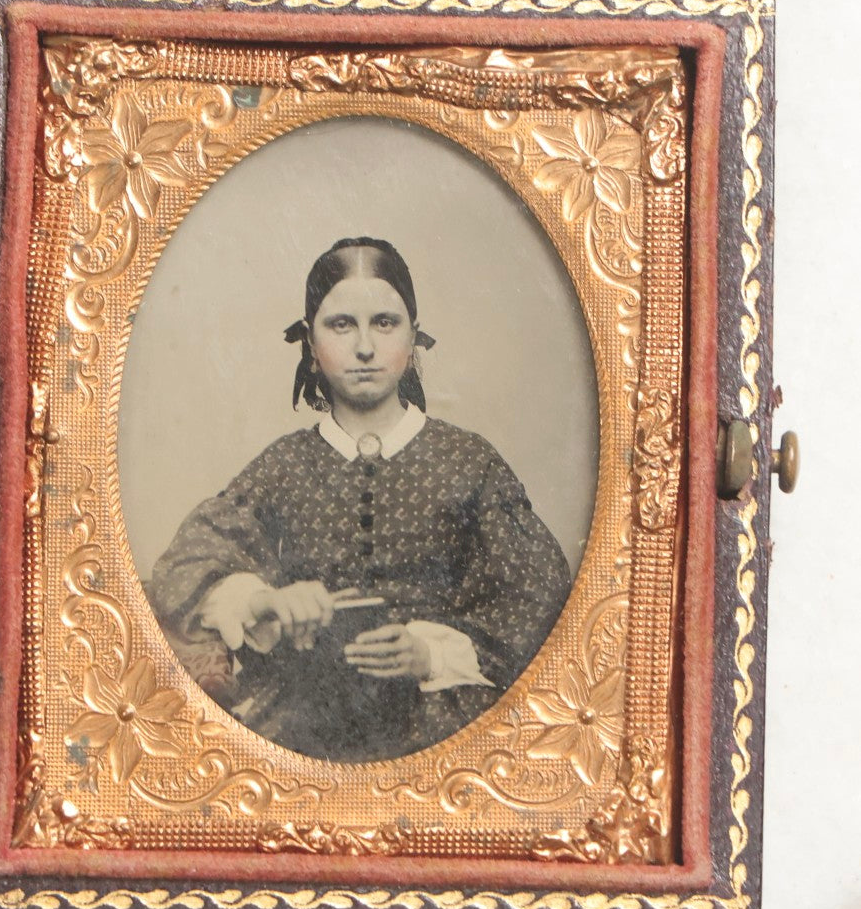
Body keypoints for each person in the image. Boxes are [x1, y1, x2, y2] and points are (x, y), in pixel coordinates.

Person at [148, 237, 571, 761]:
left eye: (385, 323)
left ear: (414, 337)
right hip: (303, 718)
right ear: (310, 342)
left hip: (442, 721)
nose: (365, 347)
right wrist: (266, 601)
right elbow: (189, 563)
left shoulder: (469, 462)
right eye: (342, 324)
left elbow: (535, 598)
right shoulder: (283, 466)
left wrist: (430, 654)